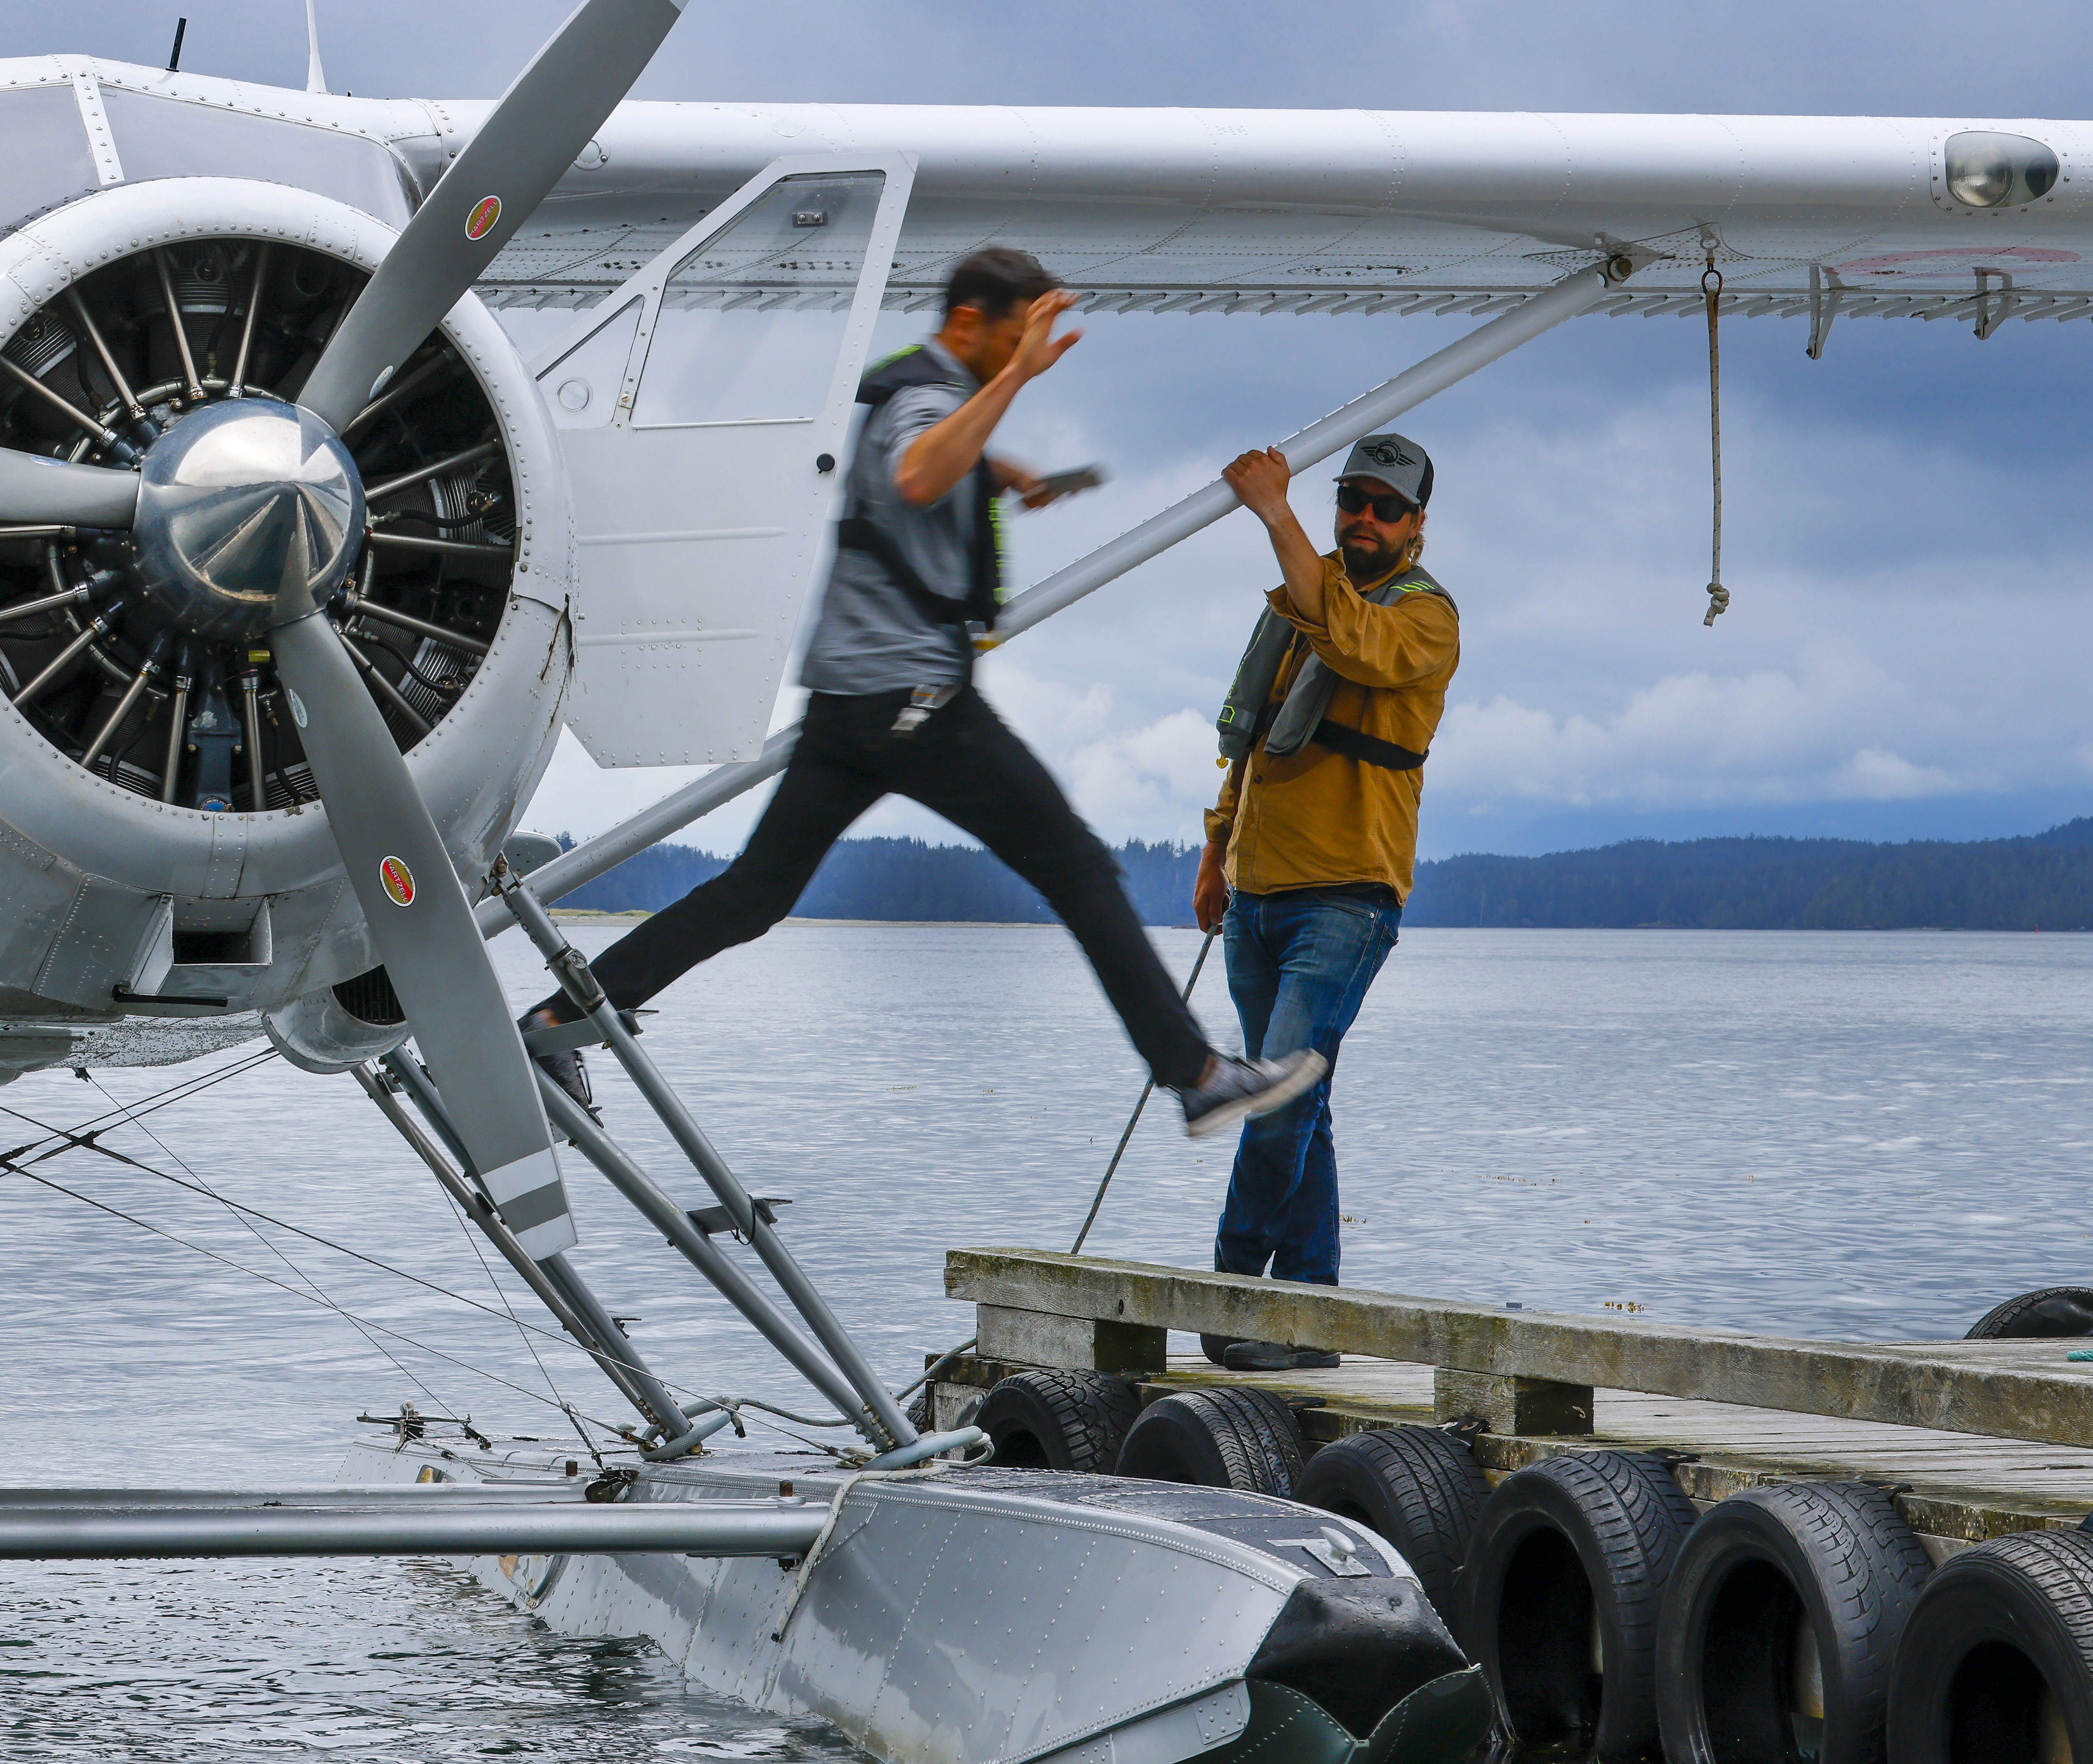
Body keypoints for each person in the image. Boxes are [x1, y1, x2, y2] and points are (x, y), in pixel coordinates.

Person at [526, 246, 1324, 1138]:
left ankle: (559, 1020)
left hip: (850, 701)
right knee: (1079, 870)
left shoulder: (920, 390)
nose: (1027, 352)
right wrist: (1015, 382)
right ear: (968, 325)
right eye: (1017, 336)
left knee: (753, 895)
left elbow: (920, 465)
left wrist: (1003, 469)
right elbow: (913, 472)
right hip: (914, 700)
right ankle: (1198, 1074)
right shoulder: (927, 397)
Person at [1187, 432, 1459, 1371]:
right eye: (1351, 500)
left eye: (1385, 507)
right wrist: (1214, 850)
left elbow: (1347, 632)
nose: (1363, 519)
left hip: (1344, 900)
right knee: (1303, 1105)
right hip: (1256, 895)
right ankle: (1309, 1311)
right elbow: (1255, 743)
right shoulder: (1296, 601)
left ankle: (1228, 1297)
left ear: (1417, 524)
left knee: (1273, 1100)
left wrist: (1273, 510)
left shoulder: (1425, 619)